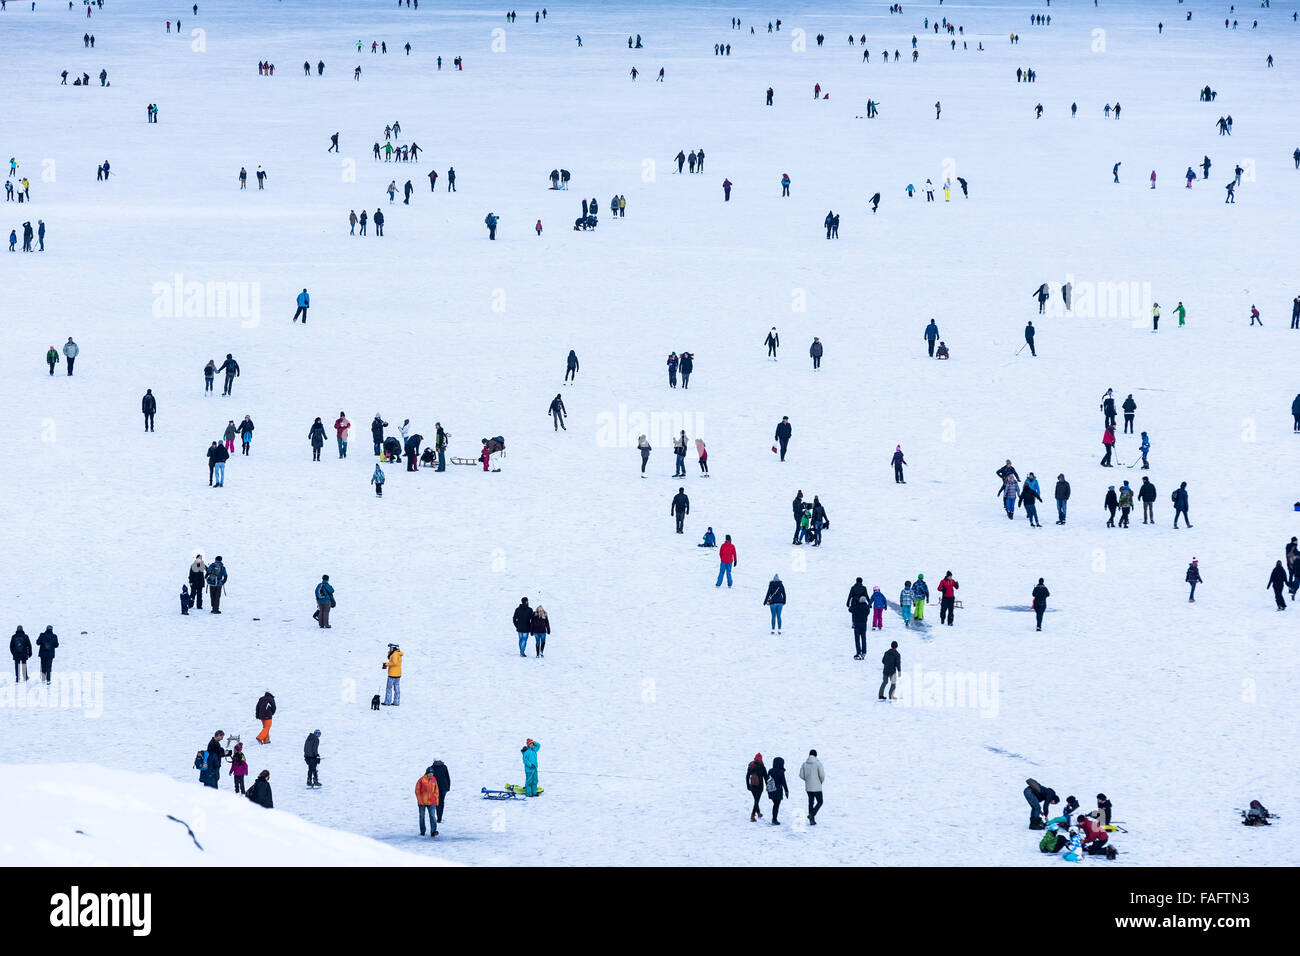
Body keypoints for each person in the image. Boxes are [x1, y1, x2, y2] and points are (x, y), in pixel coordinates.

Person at [799, 750, 825, 824]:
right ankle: (812, 814)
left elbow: (801, 775)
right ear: (816, 755)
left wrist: (807, 780)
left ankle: (811, 820)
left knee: (811, 802)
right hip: (817, 787)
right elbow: (822, 775)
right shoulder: (818, 763)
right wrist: (820, 781)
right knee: (820, 801)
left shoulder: (804, 764)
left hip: (808, 787)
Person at [416, 767, 440, 836]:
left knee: (432, 816)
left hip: (432, 802)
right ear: (427, 773)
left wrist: (436, 800)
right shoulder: (421, 780)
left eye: (432, 773)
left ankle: (433, 831)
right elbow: (417, 791)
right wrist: (420, 800)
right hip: (422, 802)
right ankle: (422, 831)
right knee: (422, 817)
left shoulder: (434, 780)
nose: (431, 775)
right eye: (429, 773)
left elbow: (436, 791)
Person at [765, 756, 789, 825]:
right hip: (778, 791)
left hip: (771, 790)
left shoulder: (770, 770)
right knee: (776, 805)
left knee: (775, 804)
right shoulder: (781, 772)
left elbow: (767, 779)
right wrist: (786, 791)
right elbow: (784, 782)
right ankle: (774, 819)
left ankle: (774, 819)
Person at [746, 754, 767, 821]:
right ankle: (752, 815)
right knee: (756, 801)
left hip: (752, 785)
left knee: (756, 800)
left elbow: (747, 776)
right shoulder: (762, 767)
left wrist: (748, 785)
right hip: (759, 787)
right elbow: (766, 778)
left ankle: (758, 813)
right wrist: (768, 787)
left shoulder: (751, 765)